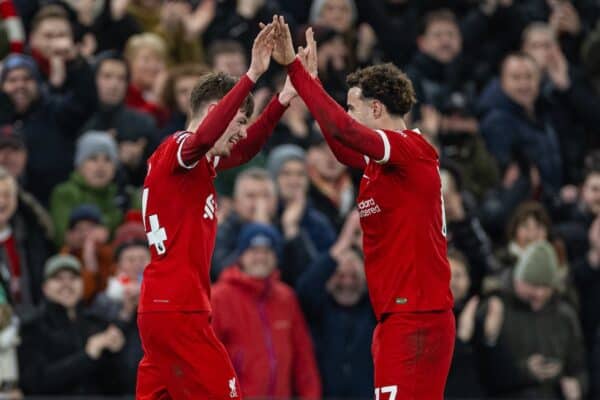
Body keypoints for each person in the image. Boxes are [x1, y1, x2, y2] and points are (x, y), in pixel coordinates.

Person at [271, 18, 454, 399]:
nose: (347, 114)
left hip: (417, 317)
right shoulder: (383, 164)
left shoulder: (410, 150)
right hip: (397, 316)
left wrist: (295, 69)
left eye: (351, 107)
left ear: (375, 108)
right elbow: (341, 144)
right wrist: (311, 85)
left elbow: (343, 132)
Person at [137, 22, 300, 399]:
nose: (241, 131)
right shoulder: (178, 150)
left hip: (165, 308)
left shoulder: (195, 166)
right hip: (179, 310)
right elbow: (207, 136)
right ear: (215, 112)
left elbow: (245, 149)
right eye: (239, 121)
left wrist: (282, 100)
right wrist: (252, 74)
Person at [211, 223, 321, 399]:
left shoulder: (286, 297)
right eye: (254, 250)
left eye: (268, 251)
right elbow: (208, 360)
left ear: (276, 257)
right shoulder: (218, 297)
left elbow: (303, 357)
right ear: (241, 256)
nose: (261, 257)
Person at [18, 254, 126, 395]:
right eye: (58, 278)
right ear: (45, 287)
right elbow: (34, 383)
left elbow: (116, 385)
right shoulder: (32, 327)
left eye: (73, 278)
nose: (67, 284)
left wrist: (116, 352)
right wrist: (87, 356)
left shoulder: (98, 323)